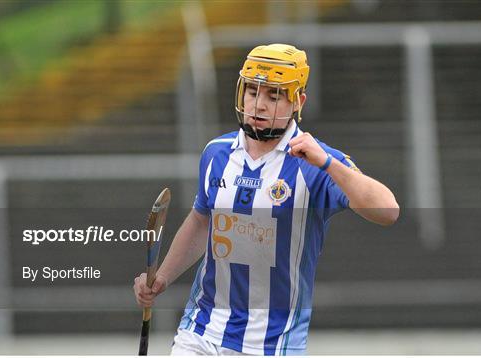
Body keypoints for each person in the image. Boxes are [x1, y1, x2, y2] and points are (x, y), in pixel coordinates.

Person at [133, 43, 399, 356]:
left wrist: (328, 164)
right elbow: (201, 221)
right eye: (252, 92)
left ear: (298, 101)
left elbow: (388, 211)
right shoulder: (216, 153)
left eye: (274, 96)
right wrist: (162, 277)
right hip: (201, 332)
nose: (259, 105)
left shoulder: (316, 163)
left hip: (272, 345)